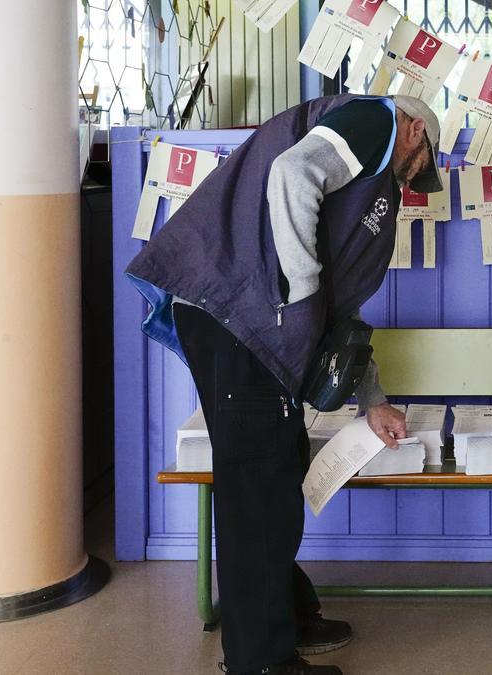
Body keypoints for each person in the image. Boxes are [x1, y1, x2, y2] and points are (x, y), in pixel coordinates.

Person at [125, 94, 445, 675]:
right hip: (240, 313)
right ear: (415, 128)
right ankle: (258, 661)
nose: (417, 175)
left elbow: (340, 314)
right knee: (258, 484)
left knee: (277, 464)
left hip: (249, 320)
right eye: (422, 160)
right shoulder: (375, 120)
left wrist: (373, 401)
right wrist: (300, 292)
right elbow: (291, 173)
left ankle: (288, 615)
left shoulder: (371, 194)